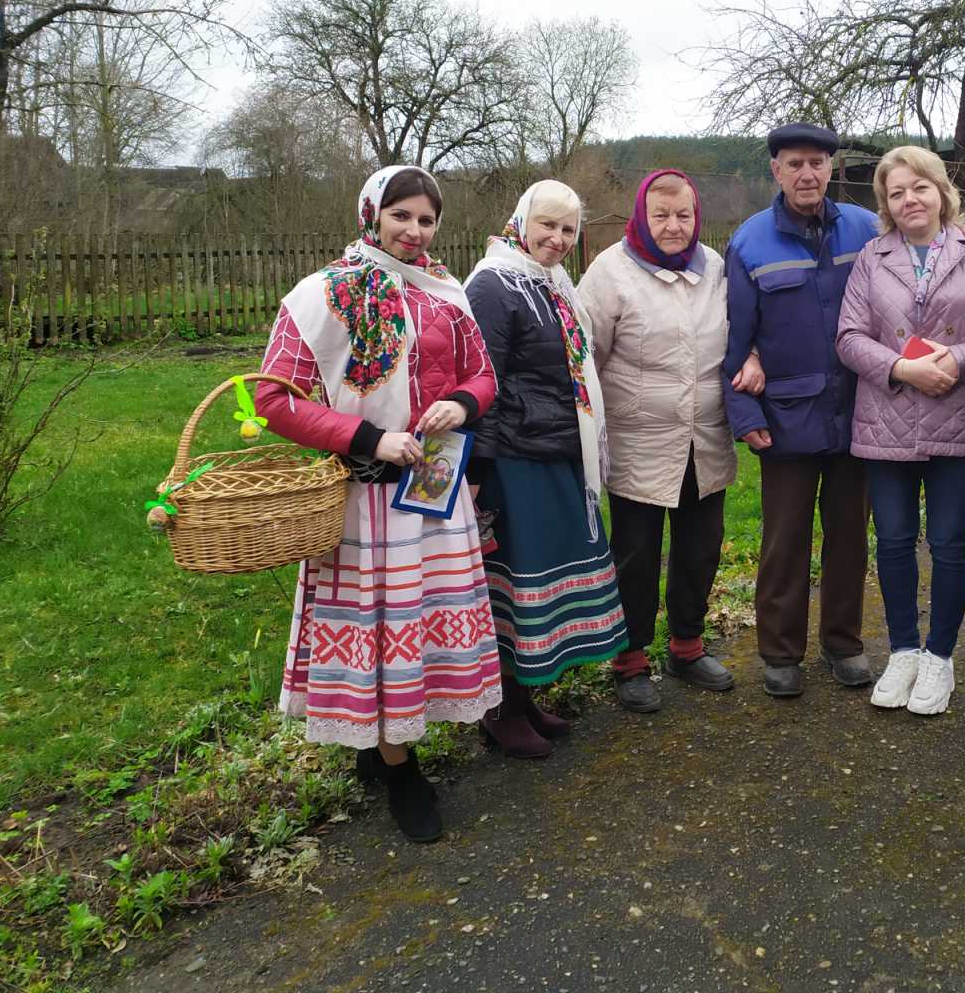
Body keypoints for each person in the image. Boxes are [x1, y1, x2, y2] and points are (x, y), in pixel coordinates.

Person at [256, 165, 500, 844]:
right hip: (367, 498)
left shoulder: (447, 294)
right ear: (371, 214)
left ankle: (379, 747)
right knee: (381, 633)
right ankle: (401, 772)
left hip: (434, 492)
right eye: (402, 216)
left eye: (426, 219)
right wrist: (370, 436)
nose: (414, 231)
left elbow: (484, 373)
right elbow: (272, 400)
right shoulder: (322, 296)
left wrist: (465, 401)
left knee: (414, 629)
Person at [722, 123, 965, 698]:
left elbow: (935, 240)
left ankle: (844, 643)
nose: (807, 174)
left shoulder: (860, 226)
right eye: (794, 163)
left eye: (817, 163)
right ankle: (780, 652)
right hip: (789, 416)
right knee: (784, 538)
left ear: (831, 167)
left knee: (852, 535)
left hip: (858, 413)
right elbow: (735, 339)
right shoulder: (750, 241)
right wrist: (745, 415)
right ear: (776, 169)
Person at [835, 146, 965, 715]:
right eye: (896, 192)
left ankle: (940, 657)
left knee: (950, 543)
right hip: (885, 423)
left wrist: (957, 359)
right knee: (892, 541)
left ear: (941, 192)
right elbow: (849, 336)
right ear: (885, 204)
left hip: (957, 419)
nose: (909, 199)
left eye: (920, 187)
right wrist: (901, 368)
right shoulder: (871, 257)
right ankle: (904, 650)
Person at [462, 180, 629, 756]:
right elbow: (482, 382)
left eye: (567, 230)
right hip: (513, 459)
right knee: (510, 584)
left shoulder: (552, 284)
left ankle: (524, 697)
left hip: (557, 449)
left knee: (538, 583)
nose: (557, 239)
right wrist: (480, 468)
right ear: (521, 222)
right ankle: (498, 709)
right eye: (547, 226)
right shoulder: (493, 284)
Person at [578, 170, 739, 713]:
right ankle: (630, 661)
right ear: (642, 216)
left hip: (705, 439)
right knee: (635, 555)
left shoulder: (714, 268)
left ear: (698, 217)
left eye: (684, 215)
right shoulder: (609, 271)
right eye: (661, 216)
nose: (674, 226)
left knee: (700, 549)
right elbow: (584, 360)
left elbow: (742, 334)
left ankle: (687, 647)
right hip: (637, 442)